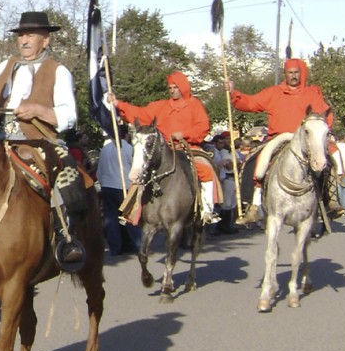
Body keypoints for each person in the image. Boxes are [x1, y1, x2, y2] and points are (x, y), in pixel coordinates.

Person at [0, 10, 85, 270]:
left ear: (46, 40)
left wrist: (38, 111)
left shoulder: (58, 71)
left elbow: (69, 115)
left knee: (66, 173)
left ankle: (66, 238)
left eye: (30, 35)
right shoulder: (3, 67)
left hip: (39, 141)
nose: (24, 40)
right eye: (21, 35)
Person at [226, 58, 343, 221]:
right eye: (290, 73)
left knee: (328, 163)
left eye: (296, 73)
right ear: (285, 74)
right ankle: (253, 205)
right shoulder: (273, 92)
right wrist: (234, 93)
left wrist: (321, 132)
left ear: (300, 74)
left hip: (304, 140)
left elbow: (325, 116)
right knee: (255, 161)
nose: (294, 76)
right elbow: (251, 103)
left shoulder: (311, 94)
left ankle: (331, 200)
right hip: (278, 138)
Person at [107, 71, 221, 224]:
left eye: (175, 87)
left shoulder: (195, 105)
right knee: (141, 171)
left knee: (205, 170)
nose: (172, 90)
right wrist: (117, 103)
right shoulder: (160, 106)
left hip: (188, 147)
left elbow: (203, 127)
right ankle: (132, 211)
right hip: (163, 149)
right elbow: (140, 113)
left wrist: (185, 134)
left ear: (183, 88)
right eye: (170, 87)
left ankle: (207, 210)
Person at [96, 124, 135, 255]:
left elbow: (99, 170)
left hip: (108, 186)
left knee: (111, 217)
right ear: (125, 135)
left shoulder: (105, 149)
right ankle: (135, 243)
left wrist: (102, 183)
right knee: (129, 216)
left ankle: (116, 247)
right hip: (123, 186)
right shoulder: (128, 148)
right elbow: (135, 168)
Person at [211, 131, 240, 235]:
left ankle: (228, 225)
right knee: (225, 203)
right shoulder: (222, 152)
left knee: (232, 203)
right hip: (226, 177)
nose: (227, 142)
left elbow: (239, 164)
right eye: (225, 140)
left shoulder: (232, 151)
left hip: (233, 177)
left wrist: (235, 162)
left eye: (228, 139)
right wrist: (234, 163)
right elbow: (229, 166)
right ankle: (222, 226)